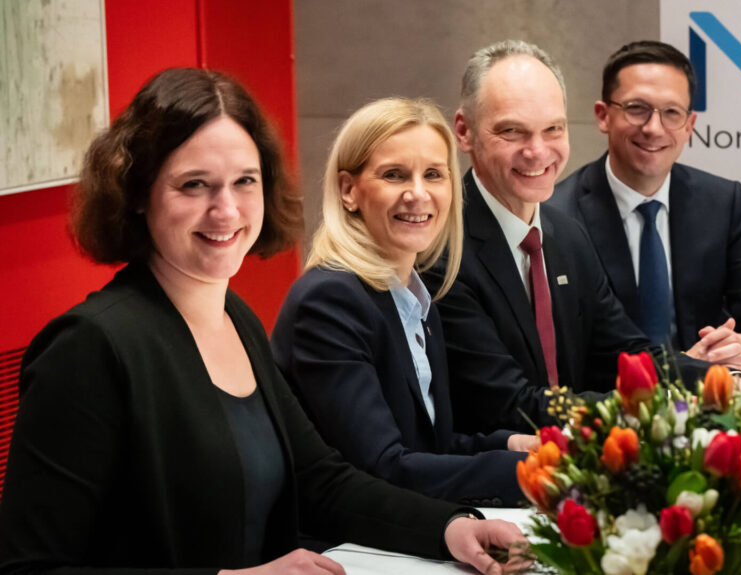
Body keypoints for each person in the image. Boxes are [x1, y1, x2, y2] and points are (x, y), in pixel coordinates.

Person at [0, 68, 524, 575]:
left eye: (244, 181)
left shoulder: (235, 318)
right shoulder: (89, 347)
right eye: (194, 185)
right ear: (138, 194)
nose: (226, 210)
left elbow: (320, 479)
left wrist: (451, 527)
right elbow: (31, 567)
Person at [426, 40, 708, 435]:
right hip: (499, 484)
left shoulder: (565, 234)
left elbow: (626, 354)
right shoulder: (440, 250)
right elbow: (512, 404)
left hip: (577, 464)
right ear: (464, 131)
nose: (538, 152)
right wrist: (673, 406)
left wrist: (720, 382)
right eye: (512, 131)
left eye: (553, 129)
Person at [271, 98, 535, 508]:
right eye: (395, 175)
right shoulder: (329, 301)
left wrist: (516, 443)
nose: (418, 194)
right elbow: (381, 467)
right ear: (348, 190)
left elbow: (430, 446)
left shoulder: (414, 297)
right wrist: (529, 473)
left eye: (433, 174)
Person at [550, 41, 741, 375]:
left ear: (689, 126)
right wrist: (683, 370)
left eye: (671, 113)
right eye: (637, 108)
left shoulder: (722, 202)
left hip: (714, 402)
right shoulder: (556, 216)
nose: (654, 128)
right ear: (603, 116)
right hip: (612, 406)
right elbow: (567, 351)